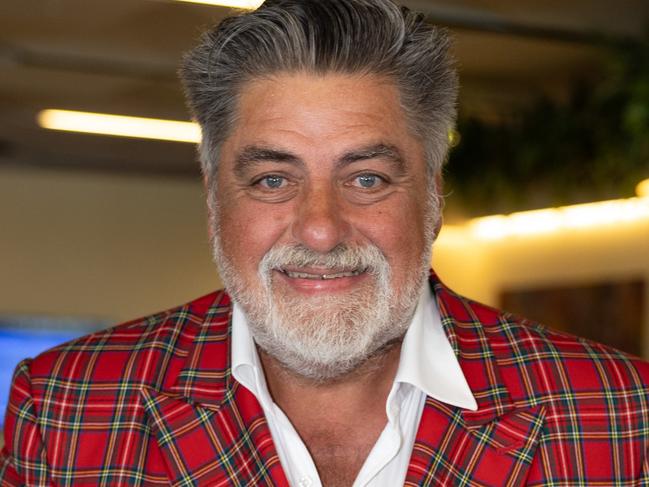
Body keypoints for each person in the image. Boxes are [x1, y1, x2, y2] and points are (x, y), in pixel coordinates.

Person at [2, 0, 649, 485]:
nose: (319, 228)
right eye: (273, 178)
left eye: (366, 177)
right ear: (213, 196)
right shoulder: (66, 407)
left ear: (431, 195)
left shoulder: (619, 416)